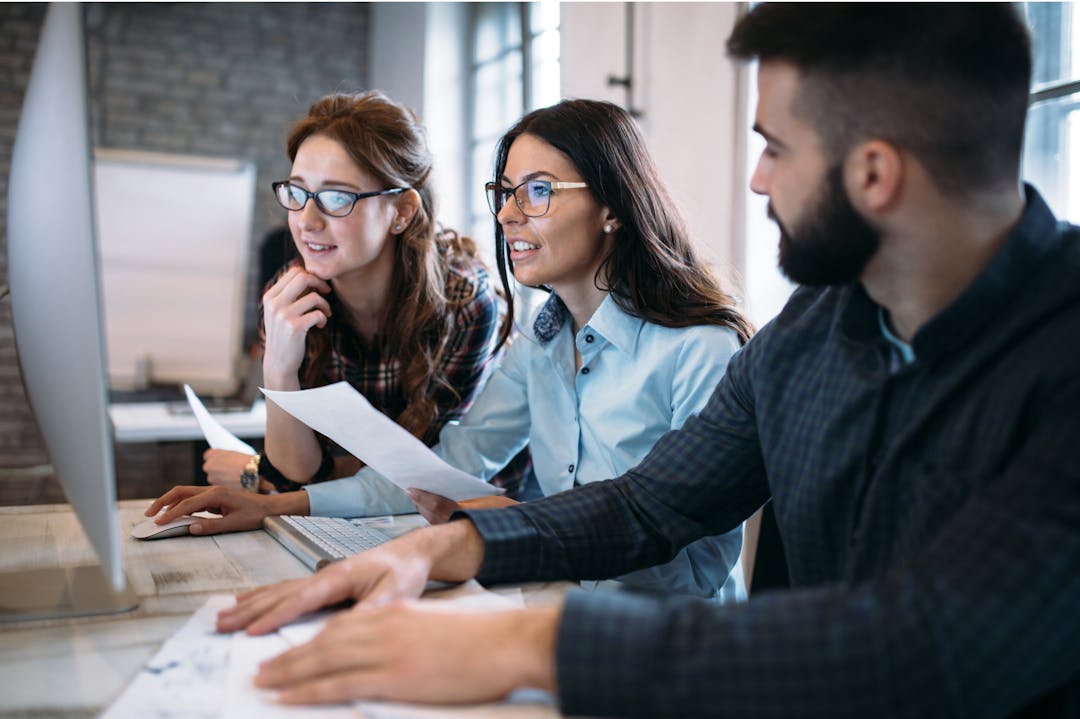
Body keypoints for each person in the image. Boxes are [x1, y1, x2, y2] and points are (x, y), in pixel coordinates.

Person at [196, 4, 1080, 717]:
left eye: (774, 147)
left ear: (876, 173)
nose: (755, 181)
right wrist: (442, 550)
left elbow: (940, 645)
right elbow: (648, 502)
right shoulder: (815, 330)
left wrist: (526, 643)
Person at [149, 98, 754, 601]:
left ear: (612, 209)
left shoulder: (700, 350)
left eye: (538, 191)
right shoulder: (540, 346)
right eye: (506, 191)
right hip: (555, 607)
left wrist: (506, 526)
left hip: (677, 643)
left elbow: (675, 545)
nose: (509, 215)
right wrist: (277, 505)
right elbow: (443, 467)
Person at [179, 91, 505, 497]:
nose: (306, 222)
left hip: (467, 520)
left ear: (401, 211)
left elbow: (420, 471)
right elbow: (295, 469)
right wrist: (279, 367)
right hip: (352, 519)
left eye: (337, 198)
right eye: (297, 193)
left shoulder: (462, 300)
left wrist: (261, 471)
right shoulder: (289, 296)